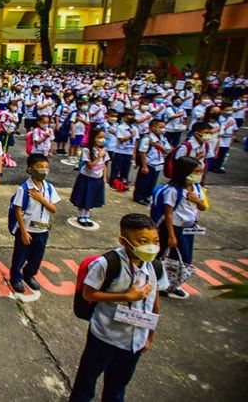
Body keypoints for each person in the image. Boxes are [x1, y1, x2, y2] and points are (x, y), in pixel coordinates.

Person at [68, 213, 167, 402]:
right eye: (143, 241)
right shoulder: (107, 264)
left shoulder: (155, 266)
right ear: (124, 240)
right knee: (87, 379)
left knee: (118, 385)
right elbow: (89, 294)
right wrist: (125, 296)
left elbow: (155, 302)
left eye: (155, 240)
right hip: (104, 335)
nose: (151, 246)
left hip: (134, 341)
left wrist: (149, 335)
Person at [9, 153, 60, 294]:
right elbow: (18, 210)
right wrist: (24, 231)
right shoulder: (24, 189)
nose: (43, 170)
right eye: (39, 167)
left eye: (46, 167)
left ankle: (29, 274)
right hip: (27, 229)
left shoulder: (49, 188)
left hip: (43, 229)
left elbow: (53, 209)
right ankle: (16, 277)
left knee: (37, 256)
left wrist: (41, 199)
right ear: (30, 169)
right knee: (20, 255)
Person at [158, 156, 208, 300]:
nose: (198, 175)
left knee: (184, 259)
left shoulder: (197, 188)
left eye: (200, 172)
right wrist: (172, 236)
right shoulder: (173, 190)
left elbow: (203, 207)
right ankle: (164, 283)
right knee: (169, 257)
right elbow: (168, 214)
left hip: (189, 227)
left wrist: (197, 200)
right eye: (196, 172)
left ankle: (175, 284)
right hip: (175, 228)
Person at [69, 129, 110, 227]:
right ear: (93, 138)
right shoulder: (87, 150)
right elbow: (90, 166)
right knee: (83, 196)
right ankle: (80, 215)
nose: (102, 140)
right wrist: (99, 156)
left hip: (97, 177)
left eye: (103, 137)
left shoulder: (104, 150)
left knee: (91, 197)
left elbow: (104, 165)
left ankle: (87, 215)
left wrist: (104, 178)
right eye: (99, 137)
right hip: (87, 177)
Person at [133, 119, 170, 205]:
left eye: (163, 127)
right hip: (149, 163)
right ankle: (139, 197)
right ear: (153, 128)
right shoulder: (147, 138)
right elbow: (142, 152)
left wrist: (159, 147)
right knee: (143, 181)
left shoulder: (162, 138)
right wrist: (144, 166)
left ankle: (147, 196)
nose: (163, 129)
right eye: (160, 127)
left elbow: (167, 150)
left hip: (158, 163)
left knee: (152, 182)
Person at [110, 110, 138, 189]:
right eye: (130, 116)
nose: (132, 118)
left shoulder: (135, 128)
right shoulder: (121, 127)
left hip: (129, 151)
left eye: (133, 116)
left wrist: (134, 153)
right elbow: (121, 139)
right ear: (125, 118)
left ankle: (123, 182)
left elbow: (136, 141)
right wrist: (131, 136)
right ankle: (113, 182)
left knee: (126, 168)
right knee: (116, 168)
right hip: (120, 151)